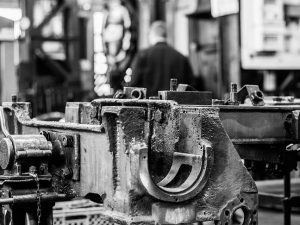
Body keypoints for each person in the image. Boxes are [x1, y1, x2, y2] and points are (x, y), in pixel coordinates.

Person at [129, 21, 194, 97]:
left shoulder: (142, 55)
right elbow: (191, 87)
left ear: (151, 35)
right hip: (175, 105)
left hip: (148, 106)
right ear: (166, 35)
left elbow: (133, 85)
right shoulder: (181, 57)